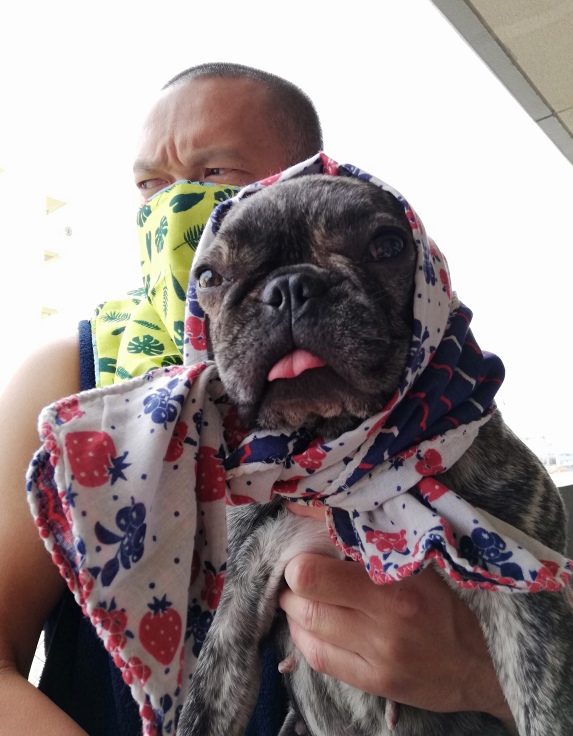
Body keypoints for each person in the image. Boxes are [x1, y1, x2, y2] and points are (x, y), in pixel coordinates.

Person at [0, 63, 517, 735]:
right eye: (150, 185)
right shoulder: (76, 380)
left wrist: (480, 675)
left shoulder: (432, 394)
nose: (173, 207)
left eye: (215, 174)